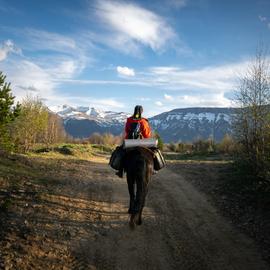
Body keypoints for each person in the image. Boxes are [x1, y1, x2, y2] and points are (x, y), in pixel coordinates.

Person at [116, 105, 152, 178]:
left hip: (129, 143)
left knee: (121, 153)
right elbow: (147, 135)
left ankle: (120, 171)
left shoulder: (129, 120)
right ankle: (154, 169)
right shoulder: (144, 121)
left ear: (134, 111)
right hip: (142, 143)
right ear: (142, 112)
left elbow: (126, 131)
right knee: (153, 153)